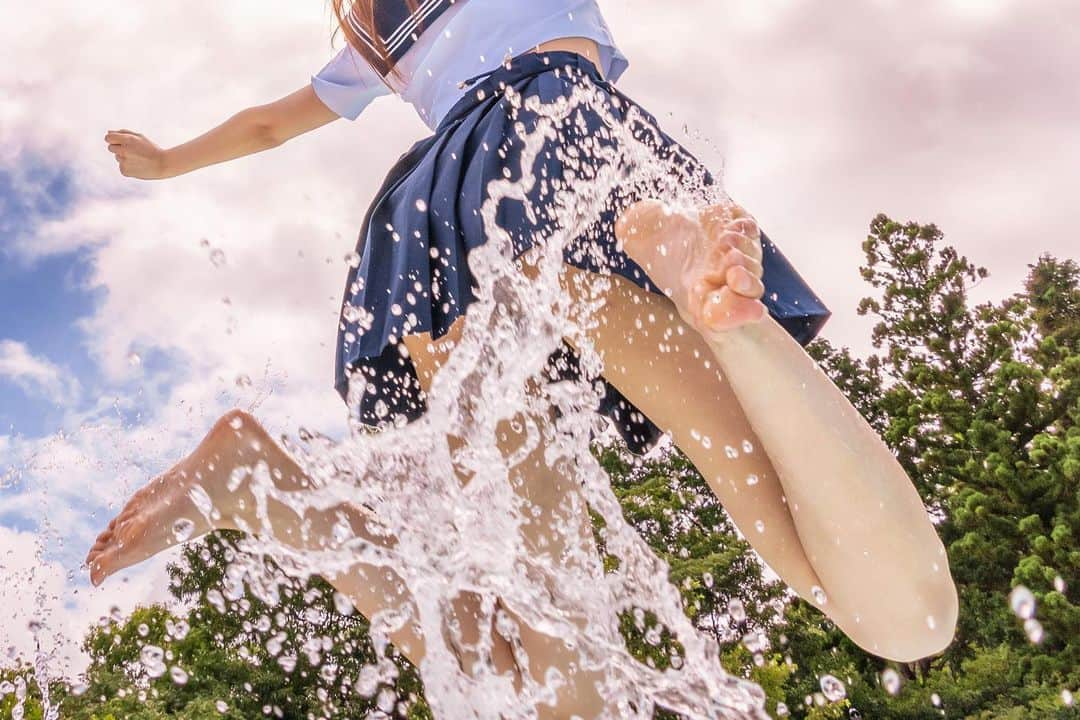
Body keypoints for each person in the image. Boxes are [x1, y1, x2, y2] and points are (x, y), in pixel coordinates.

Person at [88, 1, 959, 716]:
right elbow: (269, 125)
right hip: (558, 151)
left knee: (543, 657)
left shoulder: (372, 32)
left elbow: (269, 125)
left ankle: (265, 494)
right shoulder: (374, 31)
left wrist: (167, 165)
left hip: (434, 223)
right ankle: (716, 312)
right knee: (902, 618)